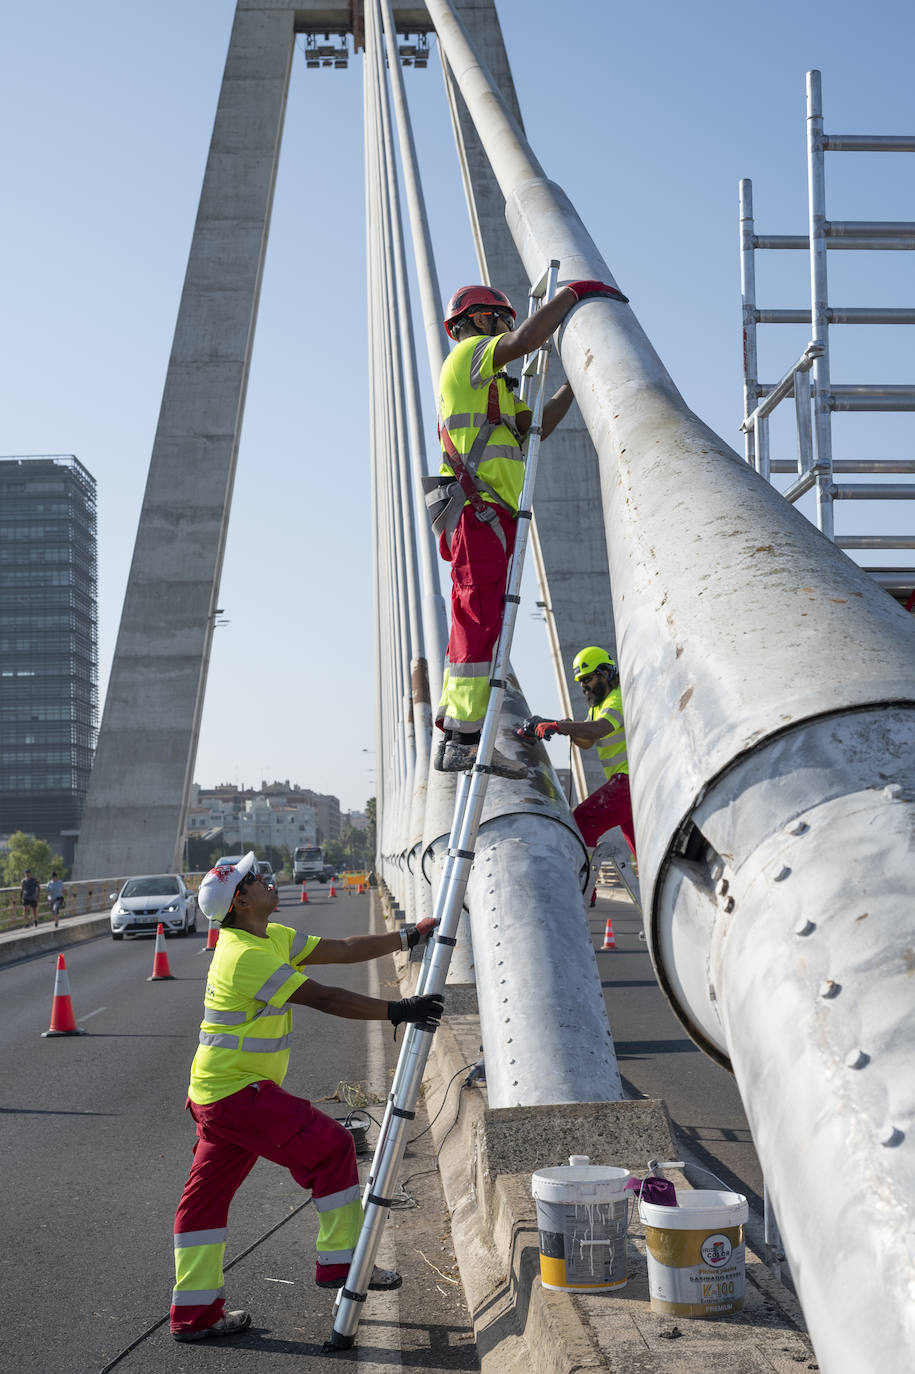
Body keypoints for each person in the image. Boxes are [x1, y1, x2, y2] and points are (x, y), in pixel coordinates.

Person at [169, 851, 442, 1343]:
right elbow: (324, 997)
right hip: (238, 1095)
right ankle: (339, 1262)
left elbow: (341, 948)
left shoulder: (268, 936)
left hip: (218, 1093)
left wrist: (408, 936)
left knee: (203, 1203)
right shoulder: (243, 956)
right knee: (333, 1147)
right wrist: (397, 1010)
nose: (268, 880)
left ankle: (194, 1314)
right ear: (241, 900)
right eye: (256, 879)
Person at [430, 278, 628, 779]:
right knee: (477, 620)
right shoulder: (471, 356)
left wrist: (574, 384)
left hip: (491, 513)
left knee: (484, 621)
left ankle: (463, 732)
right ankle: (461, 736)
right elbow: (522, 343)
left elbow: (533, 426)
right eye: (503, 318)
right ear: (479, 320)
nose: (508, 329)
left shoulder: (491, 386)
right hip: (480, 512)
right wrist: (572, 297)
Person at [526, 646, 635, 891]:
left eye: (587, 679)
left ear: (605, 673)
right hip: (626, 784)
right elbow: (586, 742)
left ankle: (584, 888)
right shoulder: (599, 704)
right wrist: (560, 725)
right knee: (643, 854)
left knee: (583, 820)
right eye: (580, 681)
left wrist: (561, 727)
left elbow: (598, 730)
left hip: (630, 782)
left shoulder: (617, 698)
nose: (583, 685)